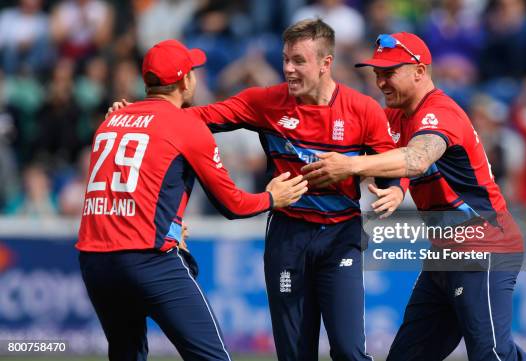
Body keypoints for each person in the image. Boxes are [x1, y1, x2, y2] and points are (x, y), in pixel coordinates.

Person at [109, 19, 404, 361]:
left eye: (299, 61)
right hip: (287, 238)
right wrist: (135, 113)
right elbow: (197, 117)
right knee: (294, 354)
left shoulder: (362, 109)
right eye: (285, 59)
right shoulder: (266, 102)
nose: (288, 69)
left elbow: (392, 162)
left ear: (326, 63)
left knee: (350, 352)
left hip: (341, 239)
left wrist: (396, 189)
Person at [303, 32, 526, 361]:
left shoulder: (440, 114)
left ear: (420, 71)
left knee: (491, 355)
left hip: (483, 247)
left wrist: (351, 166)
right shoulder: (396, 114)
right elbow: (396, 157)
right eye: (377, 73)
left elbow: (417, 158)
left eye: (389, 72)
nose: (381, 82)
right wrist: (397, 187)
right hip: (445, 253)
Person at [77, 39, 307, 361]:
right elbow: (233, 205)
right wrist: (272, 197)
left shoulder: (110, 121)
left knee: (127, 354)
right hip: (149, 258)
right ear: (186, 81)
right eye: (194, 71)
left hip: (94, 260)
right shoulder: (186, 125)